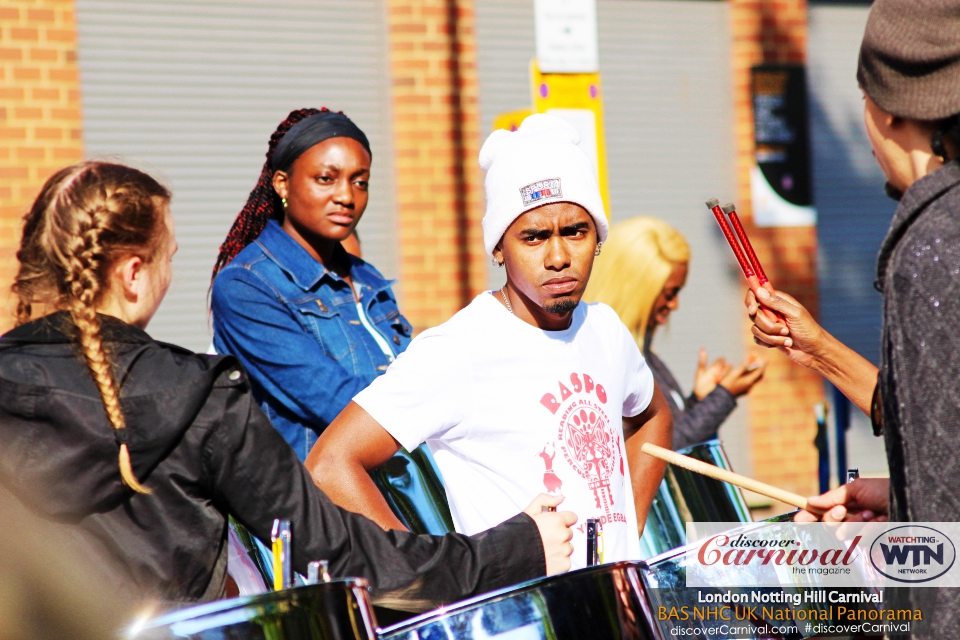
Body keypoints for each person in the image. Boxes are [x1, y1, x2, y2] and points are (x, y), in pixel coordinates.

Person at [0, 161, 576, 608]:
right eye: (166, 259)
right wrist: (516, 548)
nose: (168, 276)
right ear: (131, 274)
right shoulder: (199, 397)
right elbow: (342, 553)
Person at [307, 114, 674, 569]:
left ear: (597, 237)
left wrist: (628, 529)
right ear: (499, 248)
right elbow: (330, 464)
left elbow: (653, 414)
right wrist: (429, 574)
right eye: (534, 237)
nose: (558, 257)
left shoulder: (606, 329)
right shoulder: (458, 350)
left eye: (575, 232)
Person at [745, 0, 960, 634]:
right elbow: (936, 417)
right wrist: (814, 349)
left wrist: (890, 542)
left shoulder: (933, 246)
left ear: (891, 106)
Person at [211, 108, 413, 461]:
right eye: (326, 178)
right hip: (315, 506)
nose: (347, 196)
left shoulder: (366, 278)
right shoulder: (246, 286)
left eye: (359, 181)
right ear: (282, 184)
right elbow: (339, 403)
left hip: (394, 491)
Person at [583, 216, 765, 450]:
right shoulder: (609, 361)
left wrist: (700, 399)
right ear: (637, 289)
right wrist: (723, 396)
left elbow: (671, 429)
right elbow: (661, 449)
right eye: (669, 293)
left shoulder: (642, 353)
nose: (675, 304)